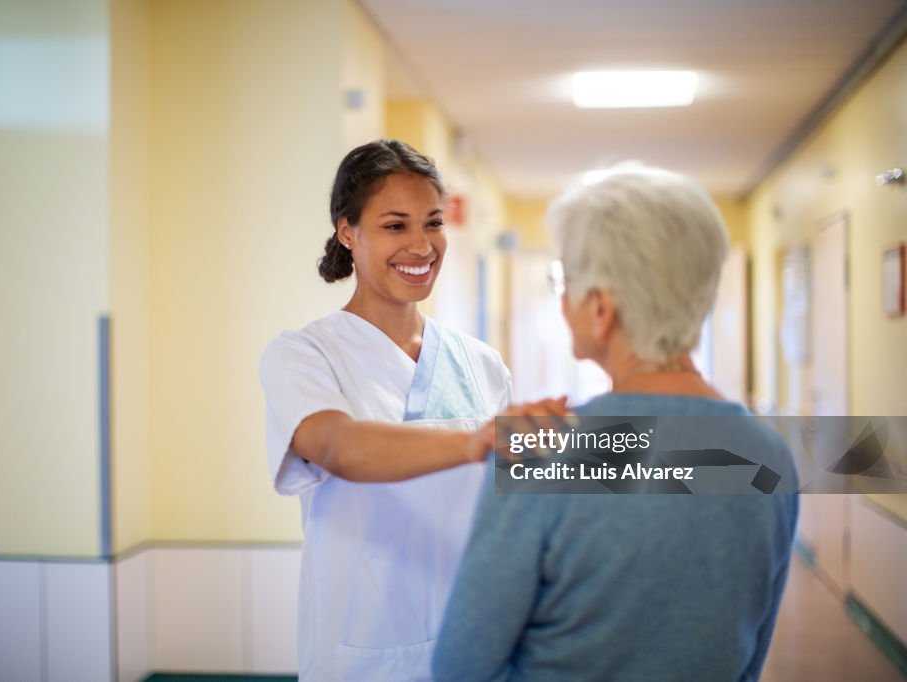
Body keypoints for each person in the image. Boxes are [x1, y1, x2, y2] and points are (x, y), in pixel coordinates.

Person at [433, 166, 799, 681]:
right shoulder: (771, 454)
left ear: (601, 308)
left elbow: (460, 666)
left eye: (565, 283)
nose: (563, 300)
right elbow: (749, 656)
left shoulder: (542, 450)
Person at [260, 139, 560, 681]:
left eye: (434, 223)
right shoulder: (304, 355)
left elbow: (505, 509)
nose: (421, 246)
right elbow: (337, 446)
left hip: (473, 647)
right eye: (395, 226)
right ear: (347, 230)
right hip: (362, 655)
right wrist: (475, 440)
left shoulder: (482, 364)